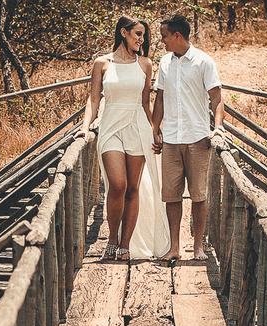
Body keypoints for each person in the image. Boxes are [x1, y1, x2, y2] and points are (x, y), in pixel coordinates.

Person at [77, 15, 170, 262]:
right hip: (111, 125)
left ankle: (125, 245)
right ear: (123, 32)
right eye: (138, 34)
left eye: (144, 35)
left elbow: (145, 103)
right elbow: (93, 99)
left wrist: (155, 128)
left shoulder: (145, 64)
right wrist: (86, 127)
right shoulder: (102, 63)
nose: (142, 39)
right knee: (117, 184)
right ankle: (112, 240)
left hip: (137, 125)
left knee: (133, 187)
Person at [152, 13, 224, 262]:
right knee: (171, 195)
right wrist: (155, 127)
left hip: (197, 137)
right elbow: (159, 98)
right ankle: (174, 247)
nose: (162, 42)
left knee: (198, 195)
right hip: (171, 138)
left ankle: (198, 247)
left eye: (164, 37)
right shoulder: (164, 63)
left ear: (177, 35)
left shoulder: (204, 62)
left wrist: (218, 128)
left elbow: (217, 98)